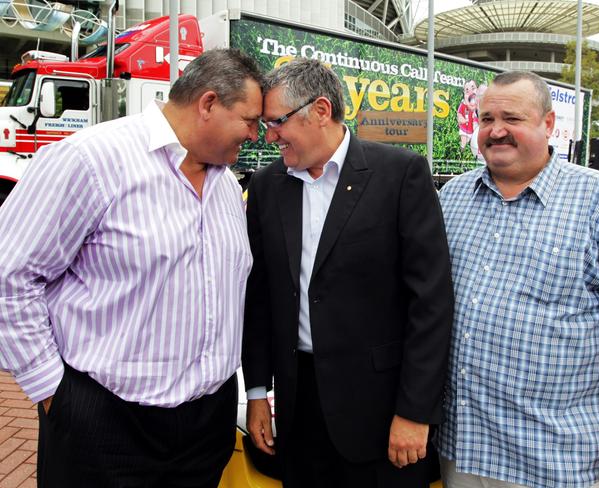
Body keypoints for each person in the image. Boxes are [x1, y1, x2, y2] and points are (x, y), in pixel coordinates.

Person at [0, 48, 263, 488]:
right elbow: (11, 275)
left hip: (204, 429)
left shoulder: (223, 184)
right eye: (251, 120)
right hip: (106, 425)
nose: (256, 135)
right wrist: (52, 392)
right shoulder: (91, 159)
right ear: (208, 103)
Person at [242, 58, 454, 487]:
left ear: (320, 111)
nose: (269, 136)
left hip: (381, 415)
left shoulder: (400, 174)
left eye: (277, 122)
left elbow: (430, 302)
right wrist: (257, 394)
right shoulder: (266, 186)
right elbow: (259, 296)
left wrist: (414, 413)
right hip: (299, 411)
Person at [436, 71, 599, 488]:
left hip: (563, 461)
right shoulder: (452, 198)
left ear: (548, 124)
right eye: (485, 119)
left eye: (512, 118)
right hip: (464, 451)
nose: (496, 131)